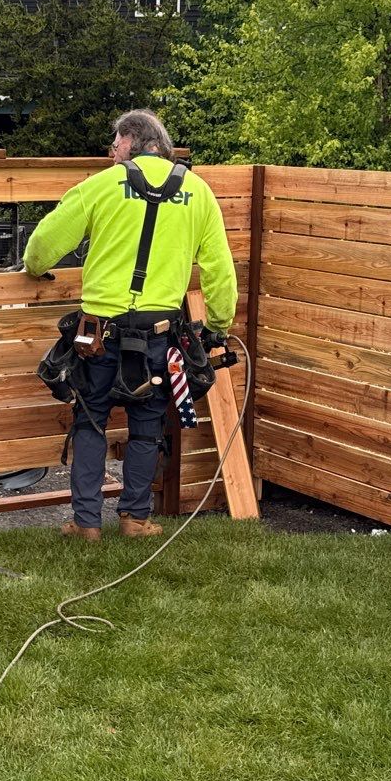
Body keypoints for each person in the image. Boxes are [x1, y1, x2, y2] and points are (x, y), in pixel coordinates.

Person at [21, 109, 238, 541]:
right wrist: (217, 326)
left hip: (96, 336)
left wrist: (33, 267)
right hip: (160, 335)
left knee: (90, 421)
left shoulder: (101, 186)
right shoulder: (198, 192)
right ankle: (135, 519)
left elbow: (41, 249)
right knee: (147, 425)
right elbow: (220, 273)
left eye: (114, 144)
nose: (111, 152)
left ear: (131, 141)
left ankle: (86, 525)